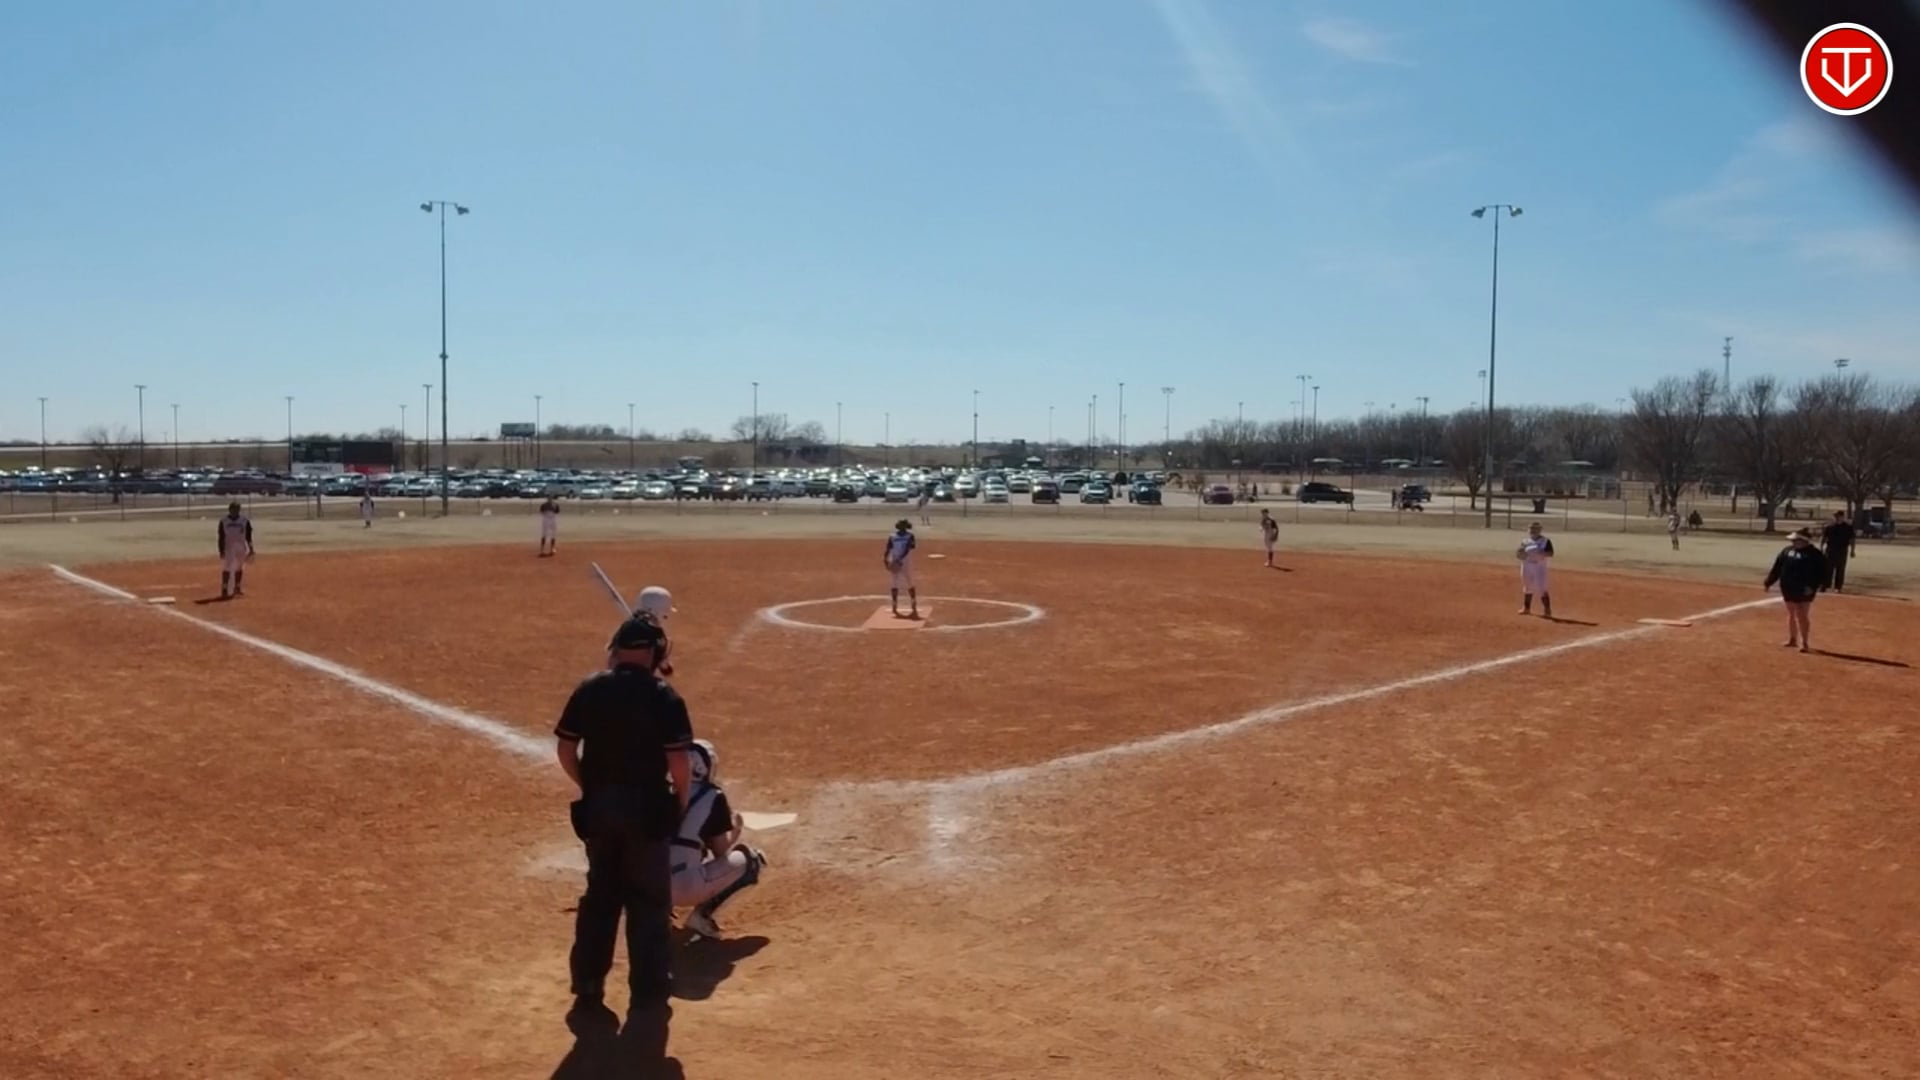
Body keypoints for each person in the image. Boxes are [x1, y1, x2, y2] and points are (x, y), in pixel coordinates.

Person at [554, 615, 695, 1007]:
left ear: (616, 649)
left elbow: (566, 750)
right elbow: (679, 762)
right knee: (649, 902)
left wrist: (590, 786)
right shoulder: (664, 696)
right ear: (653, 653)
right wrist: (681, 800)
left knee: (600, 897)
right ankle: (648, 990)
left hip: (599, 812)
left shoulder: (590, 689)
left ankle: (588, 984)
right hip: (647, 813)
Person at [670, 739, 768, 939]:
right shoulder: (712, 796)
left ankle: (654, 911)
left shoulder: (662, 792)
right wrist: (736, 831)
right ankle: (702, 916)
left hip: (646, 884)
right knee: (752, 860)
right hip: (684, 888)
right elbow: (721, 852)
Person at [1764, 529, 1830, 652]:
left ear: (1804, 540)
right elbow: (1777, 568)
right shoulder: (1787, 551)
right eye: (1793, 540)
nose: (1793, 542)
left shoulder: (1815, 554)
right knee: (1791, 613)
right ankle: (1792, 639)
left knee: (1802, 614)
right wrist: (1769, 581)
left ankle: (1804, 642)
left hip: (1805, 588)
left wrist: (1814, 586)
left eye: (1796, 540)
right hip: (1788, 586)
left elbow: (1822, 572)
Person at [1516, 521, 1554, 618]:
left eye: (1535, 528)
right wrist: (1522, 554)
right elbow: (1519, 554)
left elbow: (1550, 553)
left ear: (1539, 530)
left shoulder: (1545, 541)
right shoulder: (1525, 541)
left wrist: (1539, 553)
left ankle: (1547, 610)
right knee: (1527, 586)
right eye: (1531, 528)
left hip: (1539, 567)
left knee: (1542, 588)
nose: (1532, 530)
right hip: (1526, 565)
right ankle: (1526, 608)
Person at [217, 501, 254, 599]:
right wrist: (221, 550)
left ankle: (237, 587)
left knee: (239, 567)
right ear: (229, 510)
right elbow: (221, 537)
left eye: (236, 509)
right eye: (233, 509)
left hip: (241, 547)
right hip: (228, 548)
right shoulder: (224, 521)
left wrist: (251, 549)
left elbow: (248, 536)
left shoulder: (244, 521)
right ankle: (224, 588)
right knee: (227, 568)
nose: (234, 511)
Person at [884, 519, 918, 619]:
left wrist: (900, 558)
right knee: (894, 583)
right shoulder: (892, 536)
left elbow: (908, 548)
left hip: (906, 562)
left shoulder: (910, 536)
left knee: (910, 581)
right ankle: (894, 603)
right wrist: (885, 560)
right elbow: (888, 548)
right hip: (895, 562)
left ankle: (913, 601)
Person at [1822, 510, 1857, 592]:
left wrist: (1852, 550)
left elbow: (1852, 539)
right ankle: (1825, 585)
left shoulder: (1848, 527)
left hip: (1842, 550)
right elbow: (1824, 538)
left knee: (1840, 569)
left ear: (1843, 517)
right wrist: (1821, 547)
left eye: (1839, 516)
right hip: (1830, 550)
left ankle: (1838, 587)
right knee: (1828, 569)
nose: (1837, 518)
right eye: (1836, 516)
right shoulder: (1829, 527)